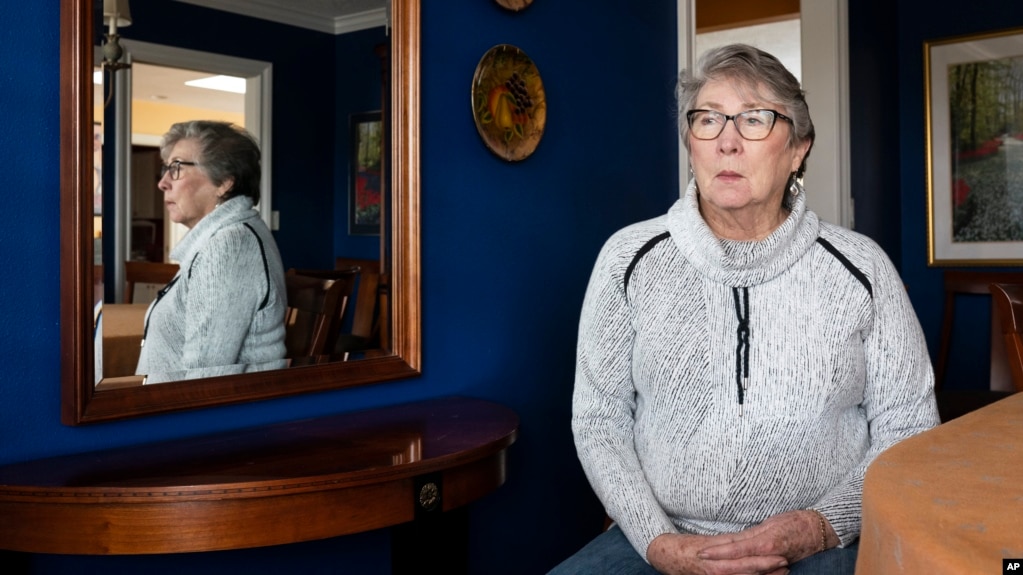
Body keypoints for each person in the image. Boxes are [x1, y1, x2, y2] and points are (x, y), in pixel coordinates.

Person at [550, 44, 939, 575]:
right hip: (662, 541)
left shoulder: (862, 268)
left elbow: (910, 426)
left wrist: (822, 526)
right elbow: (599, 422)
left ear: (798, 148)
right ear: (691, 142)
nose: (727, 142)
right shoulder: (628, 259)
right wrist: (660, 543)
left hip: (827, 543)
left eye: (754, 120)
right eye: (708, 119)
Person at [135, 120, 287, 384]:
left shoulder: (229, 246)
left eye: (177, 168)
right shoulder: (221, 238)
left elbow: (204, 380)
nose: (162, 183)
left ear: (224, 183)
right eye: (166, 168)